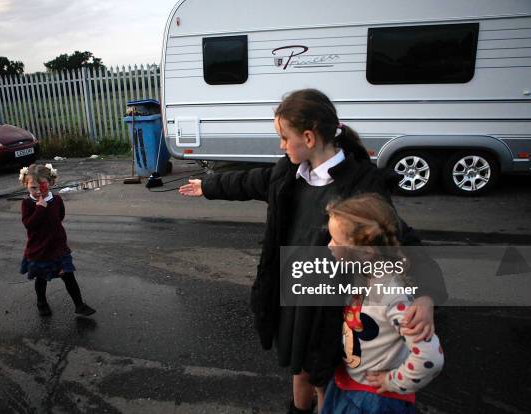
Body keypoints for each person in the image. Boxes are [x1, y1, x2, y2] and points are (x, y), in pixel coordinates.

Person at [179, 89, 446, 413]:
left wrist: (425, 295)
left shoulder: (358, 184)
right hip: (295, 297)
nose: (280, 145)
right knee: (299, 367)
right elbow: (251, 181)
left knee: (325, 374)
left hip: (331, 305)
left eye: (283, 137)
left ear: (307, 137)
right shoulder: (288, 173)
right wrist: (207, 186)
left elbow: (398, 236)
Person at [323, 193, 444, 413]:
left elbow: (430, 357)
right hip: (352, 383)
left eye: (336, 241)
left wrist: (392, 382)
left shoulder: (390, 294)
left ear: (366, 252)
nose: (329, 245)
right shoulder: (364, 275)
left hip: (374, 399)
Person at [19, 164, 96, 317]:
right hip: (39, 250)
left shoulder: (57, 200)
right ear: (25, 185)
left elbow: (59, 217)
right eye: (33, 187)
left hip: (59, 248)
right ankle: (41, 302)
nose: (38, 191)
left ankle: (79, 305)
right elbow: (29, 225)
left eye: (42, 186)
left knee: (69, 276)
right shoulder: (27, 204)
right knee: (41, 279)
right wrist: (40, 209)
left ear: (51, 183)